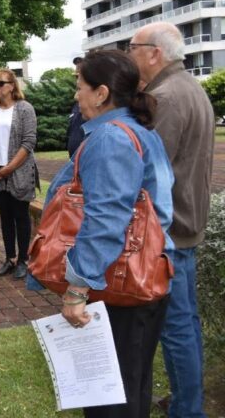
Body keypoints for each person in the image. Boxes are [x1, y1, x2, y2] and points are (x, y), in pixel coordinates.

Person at [43, 50, 175, 417]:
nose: (75, 95)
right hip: (142, 279)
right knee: (130, 388)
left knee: (110, 400)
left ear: (101, 93)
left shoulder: (110, 139)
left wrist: (76, 288)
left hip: (117, 285)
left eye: (79, 86)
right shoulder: (141, 133)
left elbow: (106, 219)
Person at [128, 22, 215, 418]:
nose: (128, 55)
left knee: (176, 328)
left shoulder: (165, 98)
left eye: (132, 47)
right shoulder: (191, 88)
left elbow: (149, 172)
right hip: (188, 224)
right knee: (186, 324)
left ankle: (188, 409)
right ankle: (185, 400)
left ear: (154, 53)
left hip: (171, 232)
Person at [0, 68, 38, 280]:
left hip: (18, 171)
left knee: (21, 216)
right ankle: (10, 258)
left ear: (12, 85)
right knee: (5, 218)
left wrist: (9, 168)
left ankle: (23, 259)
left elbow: (29, 142)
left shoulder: (24, 109)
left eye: (0, 83)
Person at [66, 56, 87, 157]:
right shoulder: (77, 103)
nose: (77, 81)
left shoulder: (96, 106)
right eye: (76, 77)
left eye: (80, 77)